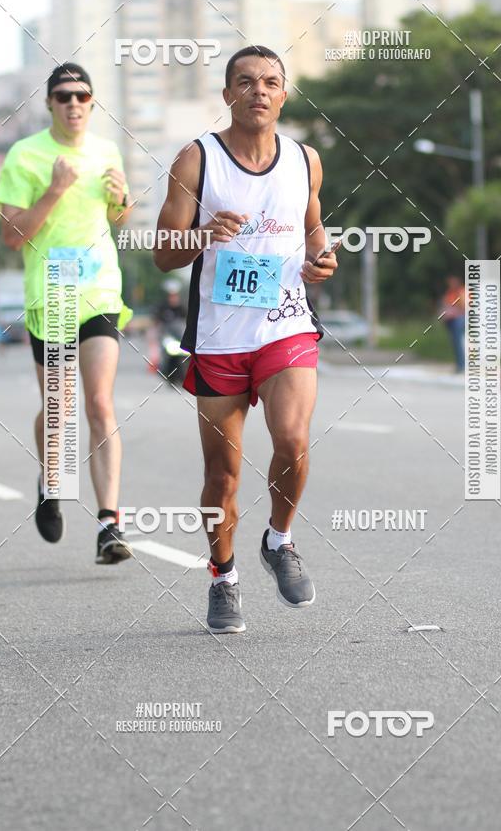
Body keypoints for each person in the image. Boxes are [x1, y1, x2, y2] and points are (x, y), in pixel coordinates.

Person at [155, 44, 338, 633]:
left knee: (293, 439)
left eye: (270, 81)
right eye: (246, 81)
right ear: (227, 93)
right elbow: (162, 253)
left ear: (283, 95)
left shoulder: (305, 160)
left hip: (286, 324)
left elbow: (312, 225)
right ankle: (223, 576)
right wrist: (203, 235)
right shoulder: (196, 160)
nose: (259, 90)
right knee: (222, 476)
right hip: (219, 338)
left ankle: (280, 539)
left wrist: (322, 258)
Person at [0, 62, 134, 565]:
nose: (74, 104)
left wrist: (122, 200)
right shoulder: (25, 155)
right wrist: (54, 190)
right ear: (50, 103)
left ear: (92, 104)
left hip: (100, 290)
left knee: (99, 403)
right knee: (60, 407)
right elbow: (12, 237)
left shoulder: (107, 150)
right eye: (64, 96)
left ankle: (109, 524)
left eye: (82, 96)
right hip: (52, 292)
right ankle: (50, 480)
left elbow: (118, 217)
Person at [442, 275, 467, 372]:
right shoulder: (450, 292)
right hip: (450, 320)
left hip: (459, 318)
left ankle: (461, 365)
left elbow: (464, 305)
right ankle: (459, 364)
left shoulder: (461, 291)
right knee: (455, 343)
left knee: (458, 342)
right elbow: (446, 304)